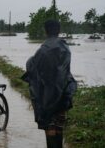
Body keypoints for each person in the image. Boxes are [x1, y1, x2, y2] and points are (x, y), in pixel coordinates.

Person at [22, 20, 77, 148]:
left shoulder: (43, 50)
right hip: (63, 94)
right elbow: (65, 71)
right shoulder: (66, 48)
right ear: (58, 30)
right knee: (59, 126)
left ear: (46, 31)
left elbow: (32, 68)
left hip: (47, 97)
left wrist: (30, 60)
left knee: (50, 128)